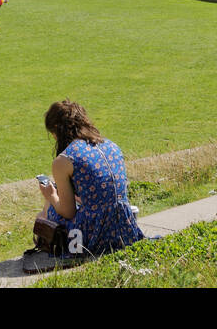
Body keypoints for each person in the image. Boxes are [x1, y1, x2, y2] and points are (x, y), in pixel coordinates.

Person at [31, 100, 143, 263]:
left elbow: (68, 212)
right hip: (124, 227)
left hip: (93, 234)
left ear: (56, 129)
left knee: (43, 215)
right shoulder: (111, 145)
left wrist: (51, 196)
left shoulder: (64, 160)